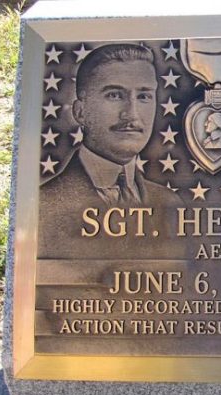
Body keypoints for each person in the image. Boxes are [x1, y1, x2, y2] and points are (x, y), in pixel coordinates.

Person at [39, 44, 181, 258]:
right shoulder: (43, 208)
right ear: (80, 112)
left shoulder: (171, 203)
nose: (131, 114)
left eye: (143, 97)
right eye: (115, 95)